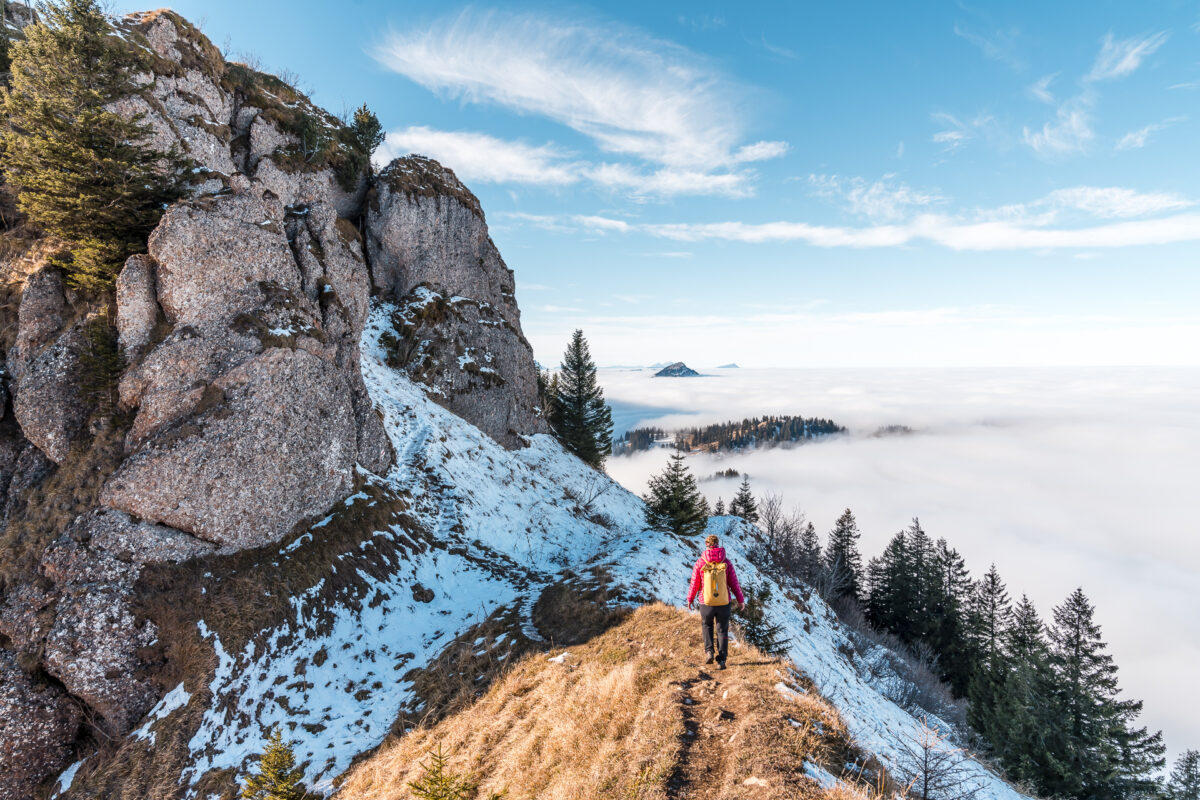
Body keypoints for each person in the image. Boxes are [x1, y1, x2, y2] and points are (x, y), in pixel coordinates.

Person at [686, 534, 745, 669]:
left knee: (707, 625)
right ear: (718, 545)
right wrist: (740, 600)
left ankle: (709, 653)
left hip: (705, 602)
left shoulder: (700, 562)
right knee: (722, 630)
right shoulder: (726, 562)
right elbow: (734, 584)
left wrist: (690, 599)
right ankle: (722, 660)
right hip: (724, 602)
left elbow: (694, 583)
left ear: (706, 545)